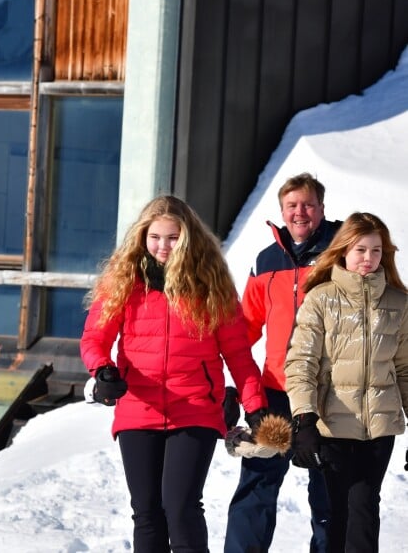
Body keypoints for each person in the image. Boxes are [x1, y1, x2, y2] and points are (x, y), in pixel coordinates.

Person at [80, 195, 290, 553]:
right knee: (146, 512)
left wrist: (255, 407)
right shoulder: (123, 282)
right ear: (142, 237)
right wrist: (102, 371)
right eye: (155, 237)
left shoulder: (211, 286)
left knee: (180, 508)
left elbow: (239, 355)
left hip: (195, 408)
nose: (163, 246)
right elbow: (94, 338)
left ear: (188, 237)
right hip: (138, 408)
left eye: (173, 237)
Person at [224, 172, 341, 553]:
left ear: (322, 208)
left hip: (327, 395)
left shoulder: (341, 255)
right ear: (281, 211)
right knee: (257, 485)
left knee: (329, 493)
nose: (299, 212)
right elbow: (244, 330)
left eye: (307, 204)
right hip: (275, 394)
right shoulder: (267, 260)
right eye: (291, 205)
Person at [285, 212, 408, 553]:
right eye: (360, 250)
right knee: (340, 512)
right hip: (332, 427)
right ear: (342, 251)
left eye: (376, 251)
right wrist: (304, 418)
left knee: (364, 509)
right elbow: (301, 363)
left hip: (379, 429)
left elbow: (406, 370)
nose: (369, 258)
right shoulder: (321, 299)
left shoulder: (398, 303)